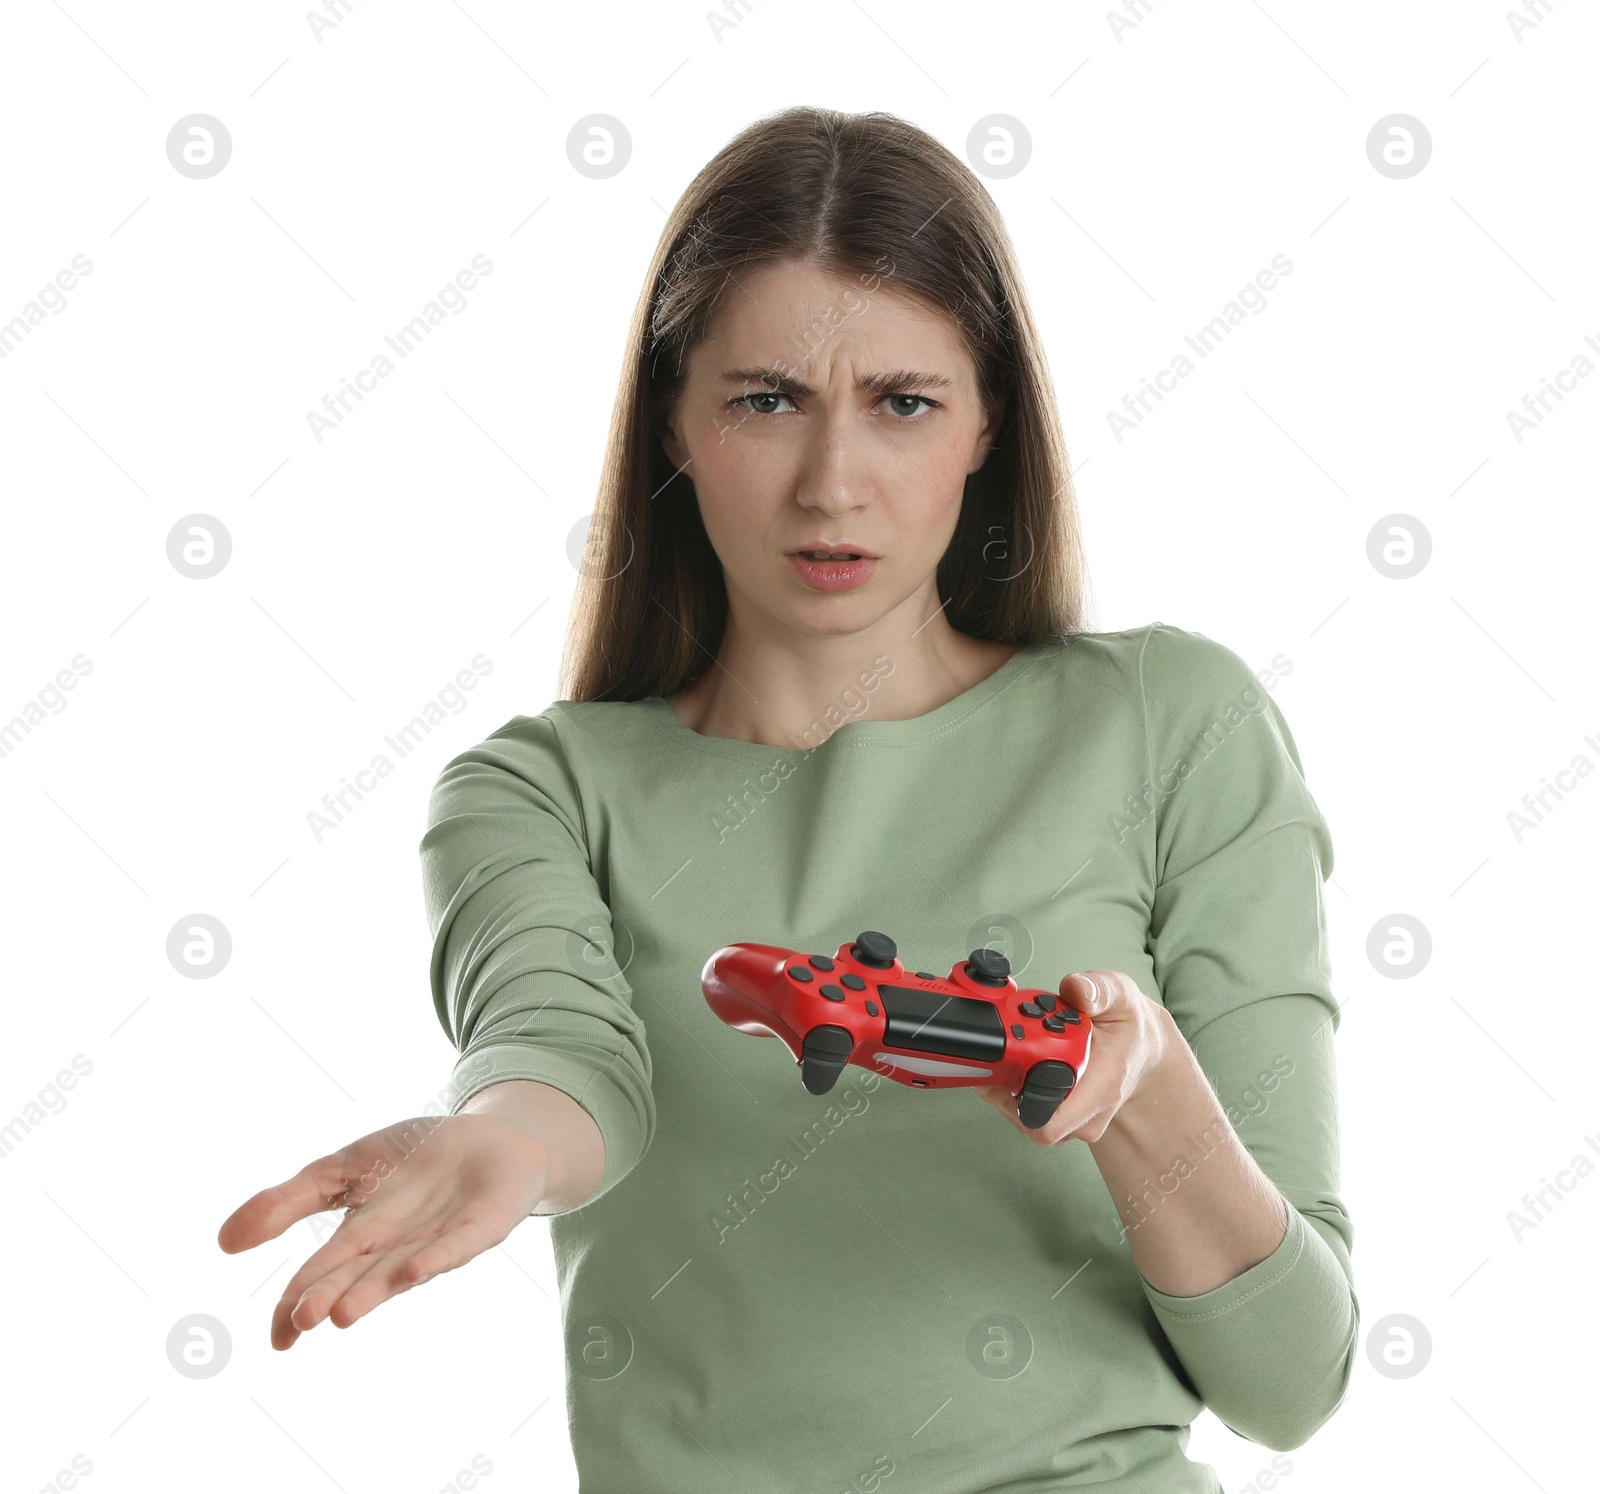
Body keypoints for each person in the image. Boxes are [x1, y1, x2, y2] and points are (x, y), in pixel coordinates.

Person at [218, 105, 1357, 1492]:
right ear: (675, 422)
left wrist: (1149, 1102)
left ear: (990, 417)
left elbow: (1293, 1380)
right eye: (766, 399)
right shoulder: (539, 790)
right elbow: (563, 1053)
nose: (833, 485)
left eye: (904, 401)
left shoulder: (1175, 727)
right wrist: (500, 1142)